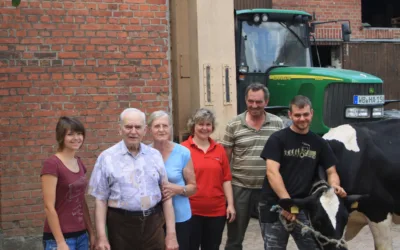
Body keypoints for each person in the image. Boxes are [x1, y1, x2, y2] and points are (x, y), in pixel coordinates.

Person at [259, 95, 347, 249]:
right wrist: (286, 202)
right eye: (297, 115)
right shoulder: (278, 139)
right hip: (275, 205)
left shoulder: (319, 143)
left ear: (311, 113)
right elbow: (272, 172)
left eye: (305, 114)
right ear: (290, 115)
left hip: (301, 206)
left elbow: (331, 171)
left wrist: (334, 186)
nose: (302, 119)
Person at [88, 108, 179, 250]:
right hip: (120, 228)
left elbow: (166, 197)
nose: (133, 131)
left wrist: (171, 235)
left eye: (138, 127)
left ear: (145, 130)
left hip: (153, 226)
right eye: (128, 127)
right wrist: (101, 237)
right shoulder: (106, 158)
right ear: (120, 129)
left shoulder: (155, 156)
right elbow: (100, 200)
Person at [221, 83, 283, 250]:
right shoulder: (233, 124)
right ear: (245, 100)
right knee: (234, 238)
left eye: (259, 102)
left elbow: (284, 158)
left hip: (269, 189)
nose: (254, 105)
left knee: (272, 238)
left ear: (266, 101)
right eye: (250, 101)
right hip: (240, 188)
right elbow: (225, 162)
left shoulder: (278, 124)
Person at [181, 108, 236, 250]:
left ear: (212, 127)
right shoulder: (183, 149)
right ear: (193, 126)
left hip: (217, 212)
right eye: (201, 124)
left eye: (208, 124)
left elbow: (226, 179)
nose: (204, 128)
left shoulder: (219, 149)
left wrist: (230, 205)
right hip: (191, 211)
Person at [41, 116, 95, 250]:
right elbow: (49, 207)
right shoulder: (52, 164)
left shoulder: (79, 162)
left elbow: (81, 201)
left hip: (82, 235)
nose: (76, 138)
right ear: (61, 137)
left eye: (79, 133)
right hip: (60, 238)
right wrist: (60, 242)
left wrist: (91, 232)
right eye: (70, 134)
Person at [148, 110, 197, 250]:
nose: (161, 130)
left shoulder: (183, 152)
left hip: (180, 217)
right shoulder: (144, 153)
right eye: (157, 126)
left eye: (165, 126)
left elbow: (193, 187)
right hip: (153, 218)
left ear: (170, 128)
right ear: (150, 129)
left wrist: (178, 189)